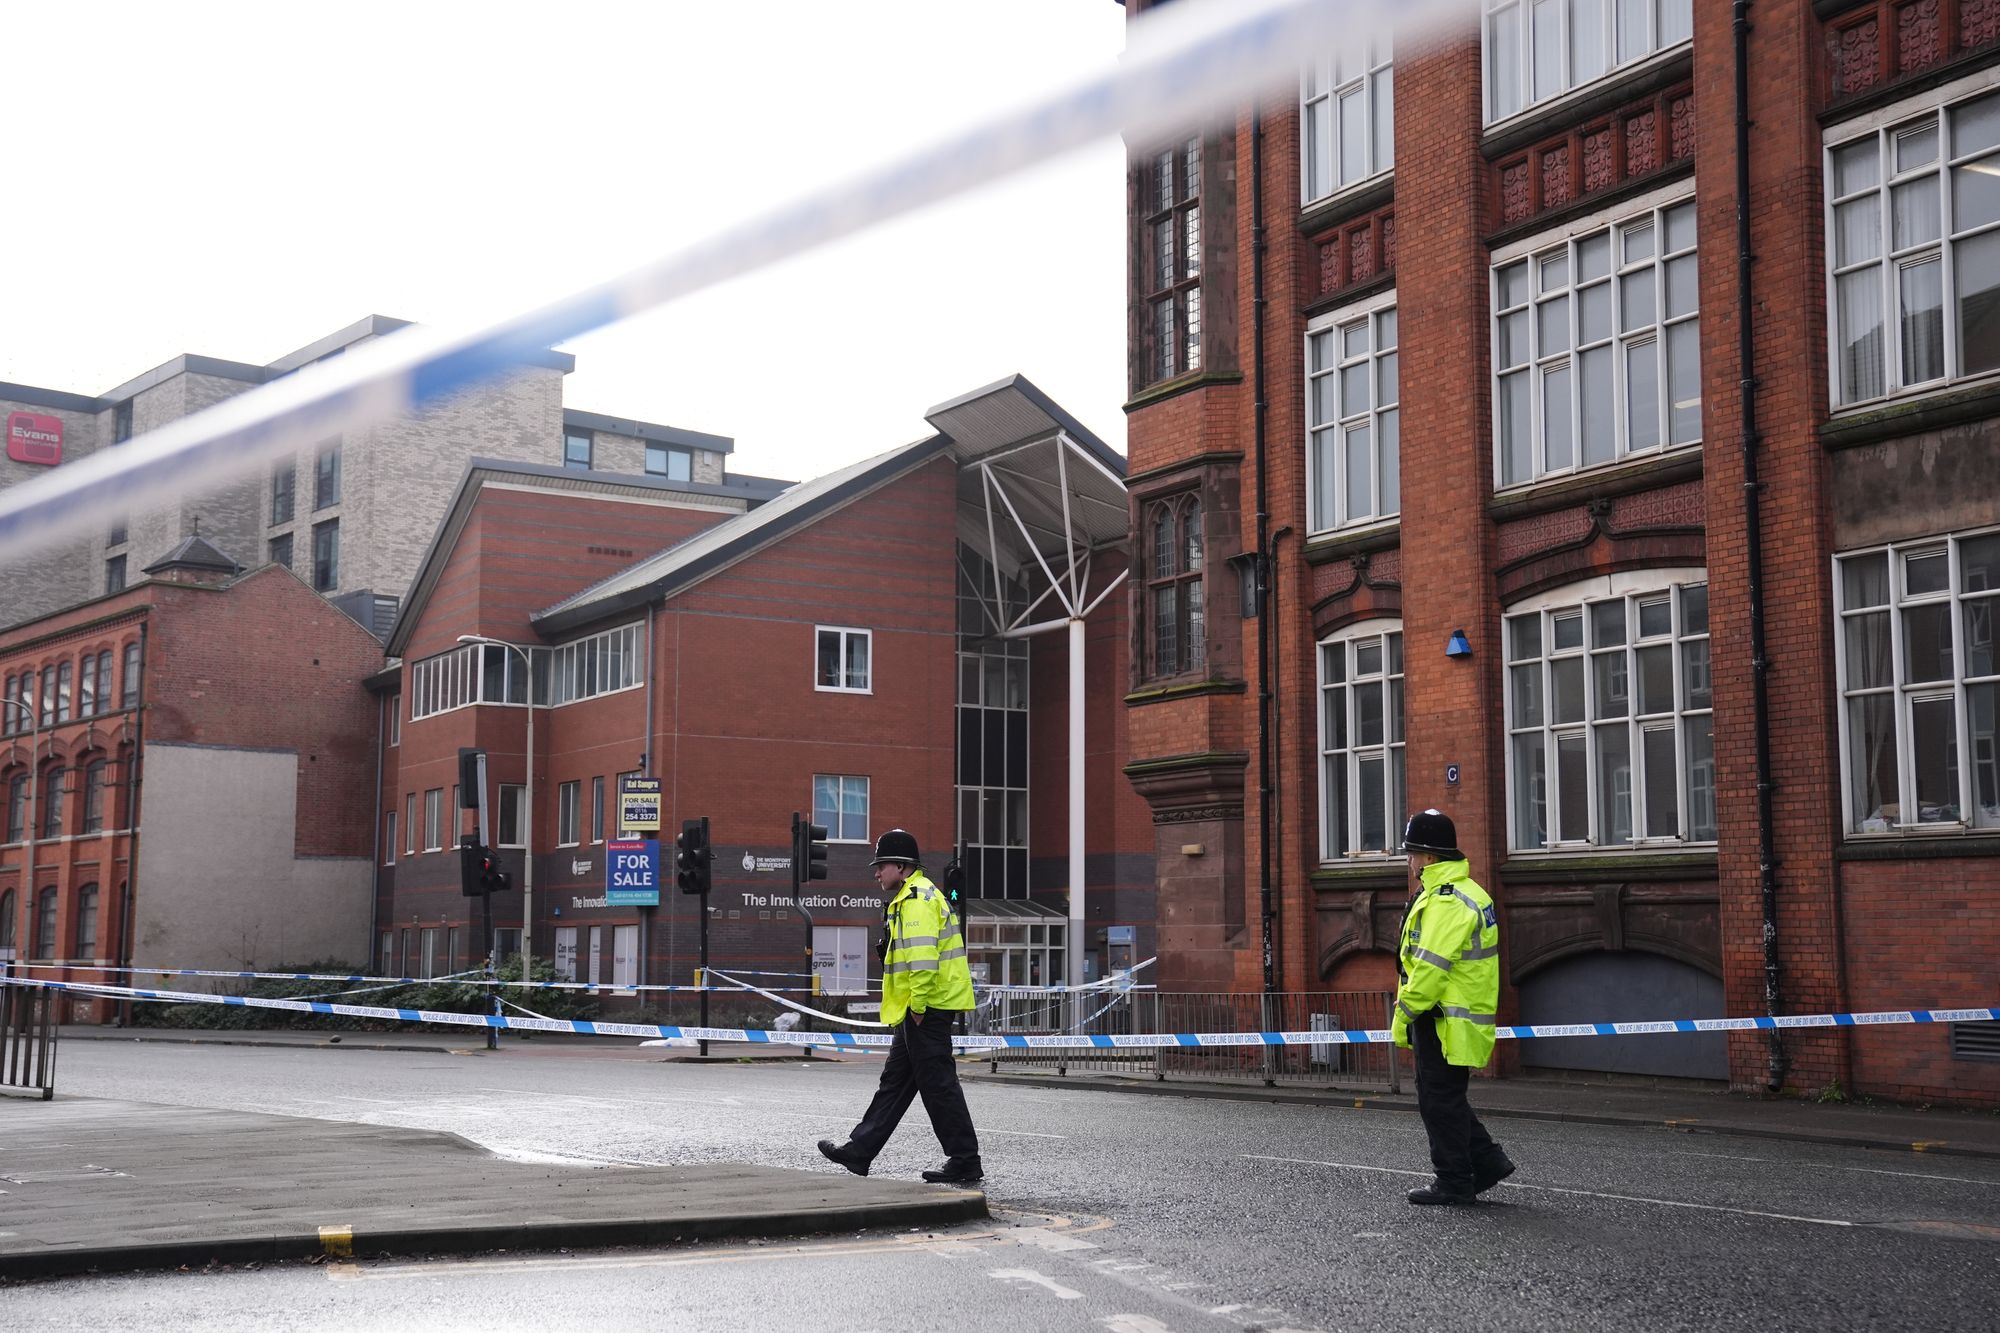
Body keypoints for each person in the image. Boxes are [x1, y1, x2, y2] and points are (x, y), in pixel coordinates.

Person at [818, 829, 982, 1184]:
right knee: (895, 1082)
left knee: (938, 1086)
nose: (876, 873)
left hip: (927, 1007)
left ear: (902, 866)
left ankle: (965, 1160)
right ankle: (859, 1152)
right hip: (916, 1008)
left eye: (881, 865)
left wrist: (919, 1006)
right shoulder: (910, 898)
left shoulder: (918, 901)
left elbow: (923, 960)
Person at [1392, 808, 1515, 1205]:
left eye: (1412, 853)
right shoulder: (1464, 892)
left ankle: (1454, 1181)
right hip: (1452, 1016)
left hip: (1441, 1017)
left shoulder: (1447, 901)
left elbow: (1429, 970)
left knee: (1438, 1100)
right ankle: (1488, 1162)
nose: (1409, 861)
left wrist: (1403, 1013)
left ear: (1429, 857)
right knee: (1444, 1097)